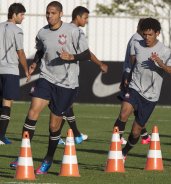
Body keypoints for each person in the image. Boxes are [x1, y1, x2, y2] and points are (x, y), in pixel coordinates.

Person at [10, 1, 91, 174]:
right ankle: (23, 155)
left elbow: (86, 54)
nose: (49, 16)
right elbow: (41, 51)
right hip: (47, 78)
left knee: (54, 126)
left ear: (61, 14)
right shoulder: (42, 33)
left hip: (67, 83)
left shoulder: (74, 31)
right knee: (32, 112)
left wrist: (72, 57)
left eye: (53, 13)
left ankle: (48, 159)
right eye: (47, 13)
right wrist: (34, 64)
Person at [116, 17, 171, 160]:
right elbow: (134, 63)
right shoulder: (137, 45)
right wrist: (127, 76)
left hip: (151, 96)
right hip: (135, 87)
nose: (147, 37)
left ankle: (124, 152)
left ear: (157, 33)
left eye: (150, 34)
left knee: (136, 131)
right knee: (124, 113)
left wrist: (161, 64)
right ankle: (116, 145)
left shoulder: (164, 51)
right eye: (145, 34)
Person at [58, 6, 109, 145]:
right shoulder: (77, 31)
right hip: (68, 75)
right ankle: (66, 136)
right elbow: (86, 53)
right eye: (85, 18)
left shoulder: (61, 28)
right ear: (78, 17)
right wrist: (100, 64)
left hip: (57, 73)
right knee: (65, 105)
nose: (86, 21)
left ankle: (75, 134)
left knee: (66, 106)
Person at [115, 18, 151, 145]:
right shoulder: (136, 39)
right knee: (126, 111)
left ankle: (145, 136)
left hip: (134, 75)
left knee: (136, 108)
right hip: (131, 76)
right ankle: (117, 139)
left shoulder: (141, 39)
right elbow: (133, 60)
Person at [0, 3, 30, 145]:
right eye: (22, 14)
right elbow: (20, 52)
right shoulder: (17, 31)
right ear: (14, 14)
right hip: (10, 70)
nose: (23, 18)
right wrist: (26, 69)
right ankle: (1, 136)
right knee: (7, 102)